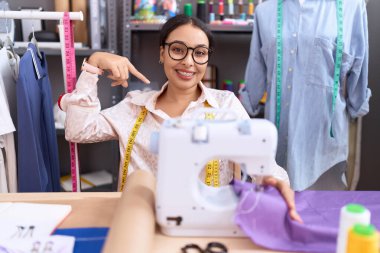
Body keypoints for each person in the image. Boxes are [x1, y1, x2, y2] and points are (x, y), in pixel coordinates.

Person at [59, 14, 302, 222]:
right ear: (162, 53)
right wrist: (94, 64)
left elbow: (260, 163)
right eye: (177, 50)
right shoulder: (134, 106)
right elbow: (78, 130)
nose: (188, 61)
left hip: (206, 224)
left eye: (200, 53)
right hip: (140, 223)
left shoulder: (226, 106)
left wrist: (273, 180)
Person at [241, 0, 371, 191]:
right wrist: (246, 105)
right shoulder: (265, 11)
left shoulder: (351, 7)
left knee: (325, 213)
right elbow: (257, 64)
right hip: (276, 142)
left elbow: (359, 62)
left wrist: (357, 101)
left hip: (324, 148)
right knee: (277, 214)